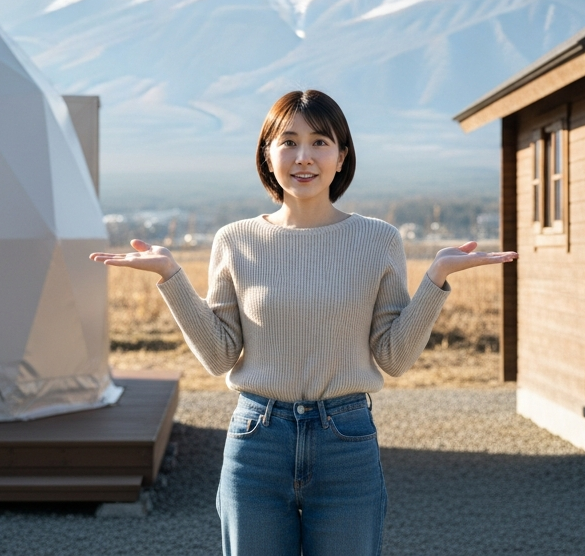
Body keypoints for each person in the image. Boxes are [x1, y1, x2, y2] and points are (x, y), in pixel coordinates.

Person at [90, 90, 516, 556]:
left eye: (319, 142)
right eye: (288, 142)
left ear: (342, 156)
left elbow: (394, 358)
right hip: (256, 442)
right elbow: (218, 355)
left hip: (346, 441)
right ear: (267, 154)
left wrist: (436, 279)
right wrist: (172, 277)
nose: (303, 157)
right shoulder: (235, 240)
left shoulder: (378, 240)